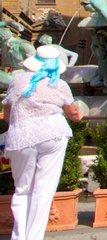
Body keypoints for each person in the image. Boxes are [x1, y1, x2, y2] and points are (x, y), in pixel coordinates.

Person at [2, 44, 83, 240]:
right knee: (43, 190)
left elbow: (7, 115)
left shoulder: (17, 80)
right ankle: (34, 237)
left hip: (22, 137)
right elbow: (74, 114)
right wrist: (80, 114)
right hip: (53, 134)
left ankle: (19, 237)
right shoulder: (60, 84)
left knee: (22, 190)